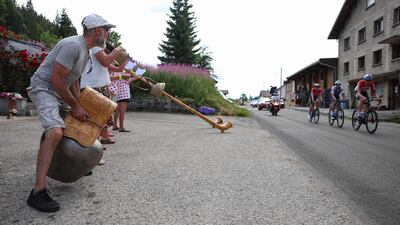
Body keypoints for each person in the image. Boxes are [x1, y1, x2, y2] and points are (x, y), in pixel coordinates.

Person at [26, 14, 116, 213]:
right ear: (96, 30)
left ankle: (76, 164)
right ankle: (37, 191)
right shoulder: (73, 45)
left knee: (82, 122)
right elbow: (56, 78)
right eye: (106, 29)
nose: (108, 33)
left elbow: (73, 79)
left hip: (57, 89)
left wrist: (80, 105)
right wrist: (75, 105)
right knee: (55, 133)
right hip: (43, 88)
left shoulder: (85, 50)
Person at [80, 42, 127, 147]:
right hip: (94, 86)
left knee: (103, 116)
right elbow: (106, 62)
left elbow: (117, 69)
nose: (108, 32)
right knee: (95, 117)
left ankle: (99, 141)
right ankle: (93, 144)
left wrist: (123, 65)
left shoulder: (100, 50)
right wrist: (116, 51)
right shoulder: (95, 47)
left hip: (101, 85)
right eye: (106, 29)